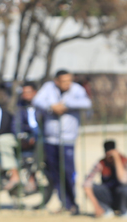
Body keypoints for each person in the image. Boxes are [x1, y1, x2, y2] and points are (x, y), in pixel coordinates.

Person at [34, 70, 91, 214]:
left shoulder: (77, 89)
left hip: (68, 138)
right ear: (57, 81)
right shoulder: (48, 88)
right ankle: (64, 203)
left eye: (69, 81)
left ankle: (73, 203)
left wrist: (66, 104)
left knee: (68, 171)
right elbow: (37, 101)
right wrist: (51, 106)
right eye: (64, 81)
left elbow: (87, 103)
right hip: (50, 138)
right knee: (55, 173)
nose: (67, 84)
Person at [83, 140, 127, 218]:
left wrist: (116, 159)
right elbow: (86, 184)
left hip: (123, 197)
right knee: (94, 187)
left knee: (125, 189)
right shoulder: (102, 163)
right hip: (109, 196)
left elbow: (123, 181)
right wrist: (96, 207)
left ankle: (124, 210)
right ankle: (106, 210)